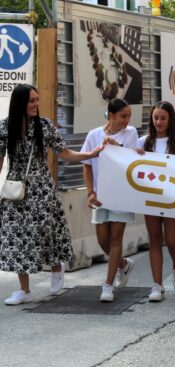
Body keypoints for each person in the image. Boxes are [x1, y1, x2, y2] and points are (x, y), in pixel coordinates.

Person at [0, 84, 103, 305]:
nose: (37, 104)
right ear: (20, 103)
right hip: (15, 190)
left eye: (38, 99)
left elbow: (65, 153)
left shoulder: (45, 126)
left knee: (47, 233)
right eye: (32, 101)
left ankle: (57, 268)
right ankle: (24, 290)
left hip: (42, 189)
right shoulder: (5, 128)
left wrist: (90, 154)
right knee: (17, 238)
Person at [82, 98, 138, 302]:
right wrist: (90, 192)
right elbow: (86, 164)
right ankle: (123, 264)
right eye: (123, 116)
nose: (127, 120)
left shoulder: (131, 133)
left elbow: (133, 160)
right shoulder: (93, 135)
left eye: (129, 116)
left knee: (116, 239)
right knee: (102, 239)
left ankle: (107, 285)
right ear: (111, 115)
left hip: (122, 193)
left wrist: (116, 145)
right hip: (101, 194)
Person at [137, 101, 175, 302]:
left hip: (172, 198)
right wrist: (136, 154)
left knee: (172, 240)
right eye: (156, 117)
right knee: (154, 239)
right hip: (150, 197)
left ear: (171, 120)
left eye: (163, 118)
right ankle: (157, 285)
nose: (159, 121)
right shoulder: (143, 142)